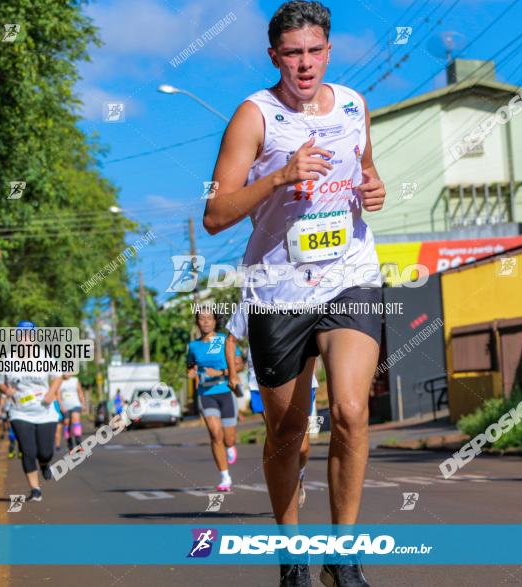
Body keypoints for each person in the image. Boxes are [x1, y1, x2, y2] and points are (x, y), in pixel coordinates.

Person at [204, 2, 387, 584]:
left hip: (349, 273)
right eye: (292, 53)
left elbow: (367, 169)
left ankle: (344, 554)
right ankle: (292, 556)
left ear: (328, 51)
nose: (304, 64)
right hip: (278, 289)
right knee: (287, 433)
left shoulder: (355, 104)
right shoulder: (254, 116)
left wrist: (373, 186)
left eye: (314, 51)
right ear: (274, 56)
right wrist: (279, 175)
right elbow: (214, 214)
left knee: (353, 412)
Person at [226, 305, 319, 508]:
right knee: (280, 438)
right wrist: (232, 374)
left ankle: (299, 477)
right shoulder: (250, 302)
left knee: (302, 448)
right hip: (262, 382)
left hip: (302, 379)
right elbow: (231, 340)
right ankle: (283, 494)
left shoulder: (306, 296)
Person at [0, 321, 64, 502]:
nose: (25, 339)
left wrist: (51, 393)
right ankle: (35, 489)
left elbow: (57, 376)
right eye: (21, 336)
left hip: (45, 412)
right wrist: (7, 391)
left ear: (34, 338)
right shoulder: (8, 359)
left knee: (45, 452)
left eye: (28, 335)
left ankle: (44, 464)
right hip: (19, 413)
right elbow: (0, 382)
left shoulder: (45, 357)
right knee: (28, 451)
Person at [187, 306, 242, 492]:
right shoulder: (193, 346)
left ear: (215, 321)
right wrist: (191, 372)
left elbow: (239, 364)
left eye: (209, 318)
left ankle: (230, 446)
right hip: (206, 394)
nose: (205, 322)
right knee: (214, 433)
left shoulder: (225, 340)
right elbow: (189, 366)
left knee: (228, 438)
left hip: (226, 391)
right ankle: (225, 477)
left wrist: (221, 372)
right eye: (202, 319)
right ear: (197, 322)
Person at [60, 373, 86, 452]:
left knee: (76, 419)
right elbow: (57, 394)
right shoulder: (59, 381)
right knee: (66, 423)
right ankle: (70, 445)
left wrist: (83, 403)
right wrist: (61, 406)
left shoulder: (75, 380)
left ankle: (79, 444)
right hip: (65, 406)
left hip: (75, 404)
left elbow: (80, 392)